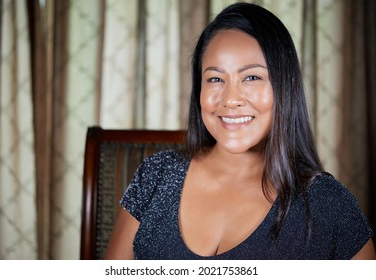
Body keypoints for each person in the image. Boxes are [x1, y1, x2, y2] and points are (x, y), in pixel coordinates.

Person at [104, 2, 375, 260]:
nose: (230, 99)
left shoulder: (328, 204)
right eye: (215, 79)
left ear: (284, 87)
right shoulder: (155, 176)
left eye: (252, 77)